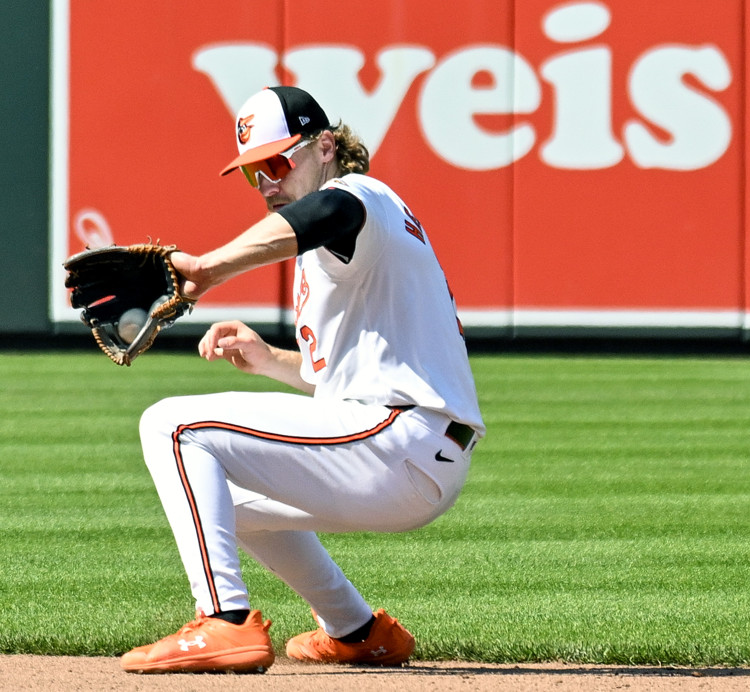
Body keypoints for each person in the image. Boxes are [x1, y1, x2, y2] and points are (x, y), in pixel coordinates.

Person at [119, 85, 485, 674]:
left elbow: (326, 213)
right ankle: (358, 630)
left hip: (403, 438)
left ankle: (224, 622)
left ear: (326, 146)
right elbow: (338, 380)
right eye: (251, 174)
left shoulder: (358, 195)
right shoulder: (341, 252)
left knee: (171, 424)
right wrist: (267, 358)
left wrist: (209, 268)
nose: (265, 182)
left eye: (275, 162)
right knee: (221, 499)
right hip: (408, 446)